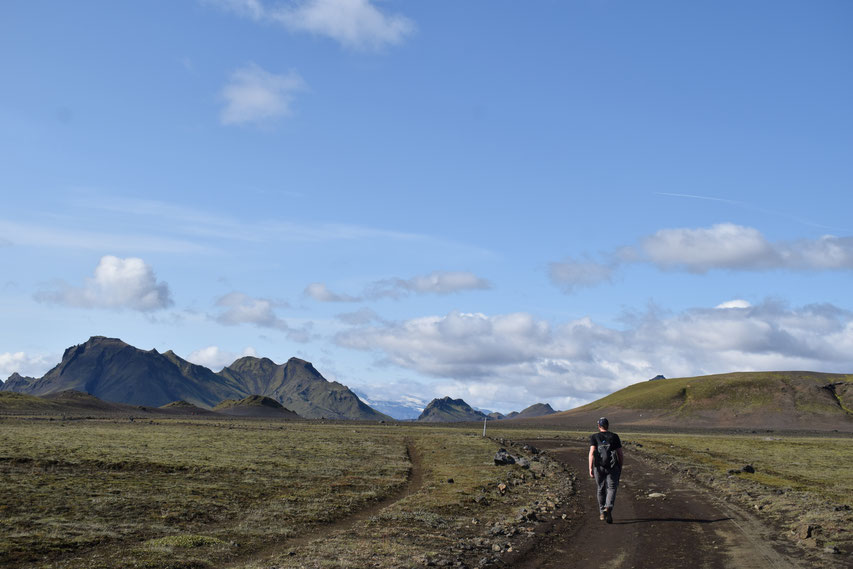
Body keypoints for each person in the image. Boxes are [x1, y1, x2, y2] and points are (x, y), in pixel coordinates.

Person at [588, 417, 623, 523]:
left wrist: (590, 468)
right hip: (613, 467)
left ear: (599, 426)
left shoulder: (594, 437)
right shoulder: (614, 436)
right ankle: (608, 507)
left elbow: (591, 453)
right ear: (608, 426)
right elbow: (620, 454)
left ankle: (602, 512)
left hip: (598, 467)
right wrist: (620, 466)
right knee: (611, 488)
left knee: (600, 489)